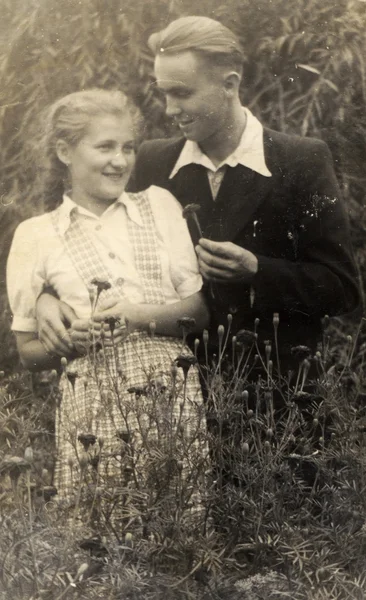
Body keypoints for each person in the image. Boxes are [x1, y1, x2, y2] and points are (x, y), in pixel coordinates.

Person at [35, 16, 360, 371]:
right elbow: (95, 237)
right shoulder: (154, 161)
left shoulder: (299, 159)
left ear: (230, 84)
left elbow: (342, 289)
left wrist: (257, 270)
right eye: (164, 93)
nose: (170, 109)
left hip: (276, 397)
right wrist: (46, 297)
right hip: (173, 396)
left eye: (182, 93)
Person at [6, 90, 209, 518]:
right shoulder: (36, 234)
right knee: (105, 532)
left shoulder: (158, 205)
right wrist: (70, 341)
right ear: (65, 151)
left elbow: (198, 312)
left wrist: (135, 316)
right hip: (92, 402)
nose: (120, 161)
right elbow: (29, 354)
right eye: (104, 147)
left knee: (180, 523)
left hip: (172, 391)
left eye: (127, 147)